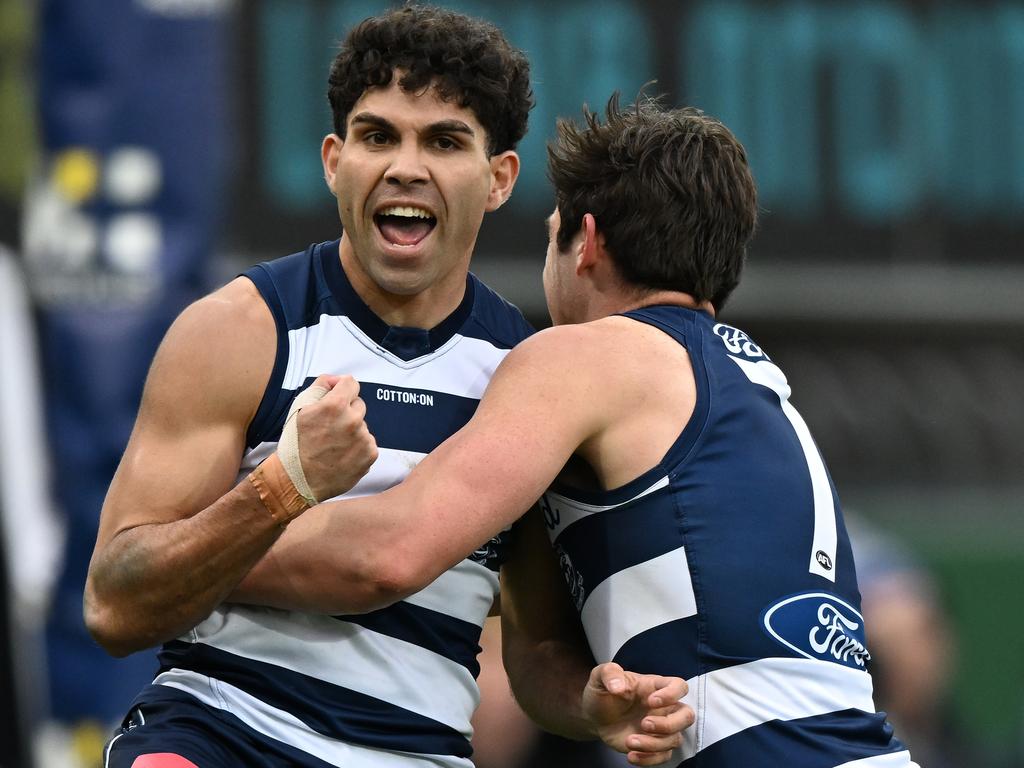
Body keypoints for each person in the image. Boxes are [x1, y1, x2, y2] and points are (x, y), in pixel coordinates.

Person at [229, 95, 923, 767]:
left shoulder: (588, 356)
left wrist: (195, 562)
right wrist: (585, 700)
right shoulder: (752, 381)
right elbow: (543, 651)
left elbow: (389, 554)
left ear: (584, 243)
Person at [84, 6, 692, 768]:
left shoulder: (532, 379)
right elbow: (114, 603)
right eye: (378, 136)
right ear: (335, 160)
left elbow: (535, 647)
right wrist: (283, 486)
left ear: (499, 178)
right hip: (222, 733)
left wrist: (587, 702)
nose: (406, 166)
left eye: (443, 140)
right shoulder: (240, 331)